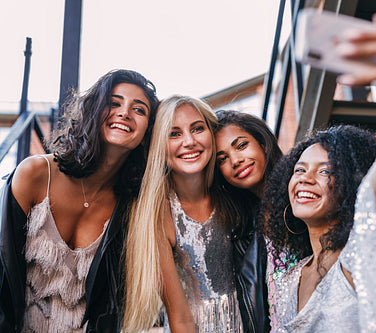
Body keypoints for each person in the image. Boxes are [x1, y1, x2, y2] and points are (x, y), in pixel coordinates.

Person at [261, 13, 376, 332]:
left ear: (352, 187)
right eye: (299, 169)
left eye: (326, 171)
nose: (305, 178)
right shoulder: (286, 279)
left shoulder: (362, 254)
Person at [0, 69, 159, 332]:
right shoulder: (36, 174)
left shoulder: (132, 208)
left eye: (139, 110)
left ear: (148, 131)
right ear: (94, 110)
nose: (125, 113)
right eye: (114, 102)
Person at [123, 95, 247, 332]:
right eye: (174, 133)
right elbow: (179, 317)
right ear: (158, 144)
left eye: (197, 129)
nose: (189, 141)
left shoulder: (233, 192)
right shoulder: (158, 214)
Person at [214, 110, 288, 331]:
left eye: (241, 145)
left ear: (263, 144)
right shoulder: (242, 232)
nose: (236, 161)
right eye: (222, 159)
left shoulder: (303, 193)